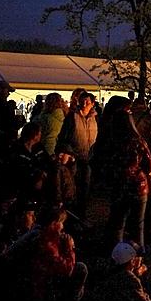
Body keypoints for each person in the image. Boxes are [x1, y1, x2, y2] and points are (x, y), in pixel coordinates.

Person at [59, 91, 98, 219]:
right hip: (74, 157)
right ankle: (71, 214)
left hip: (88, 157)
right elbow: (64, 137)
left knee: (85, 186)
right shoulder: (72, 116)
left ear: (92, 104)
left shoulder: (94, 118)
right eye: (82, 100)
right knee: (72, 186)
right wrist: (69, 152)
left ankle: (81, 213)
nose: (84, 103)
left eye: (87, 101)